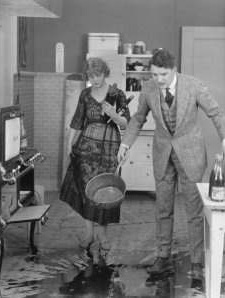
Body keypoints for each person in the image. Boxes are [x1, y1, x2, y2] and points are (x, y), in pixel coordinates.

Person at [117, 49, 225, 279]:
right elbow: (138, 118)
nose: (159, 79)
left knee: (194, 211)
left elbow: (216, 113)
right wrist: (125, 144)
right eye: (155, 74)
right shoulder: (149, 88)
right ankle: (162, 256)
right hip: (162, 153)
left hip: (191, 154)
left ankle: (198, 261)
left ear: (174, 70)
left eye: (163, 74)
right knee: (163, 209)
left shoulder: (194, 86)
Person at [60, 57, 130, 257]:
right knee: (87, 192)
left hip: (109, 151)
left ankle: (103, 236)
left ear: (104, 73)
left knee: (106, 192)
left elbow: (127, 123)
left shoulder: (117, 94)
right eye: (91, 76)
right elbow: (77, 121)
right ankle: (89, 234)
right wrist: (69, 145)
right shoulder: (85, 94)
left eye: (98, 75)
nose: (95, 79)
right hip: (85, 150)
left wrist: (113, 114)